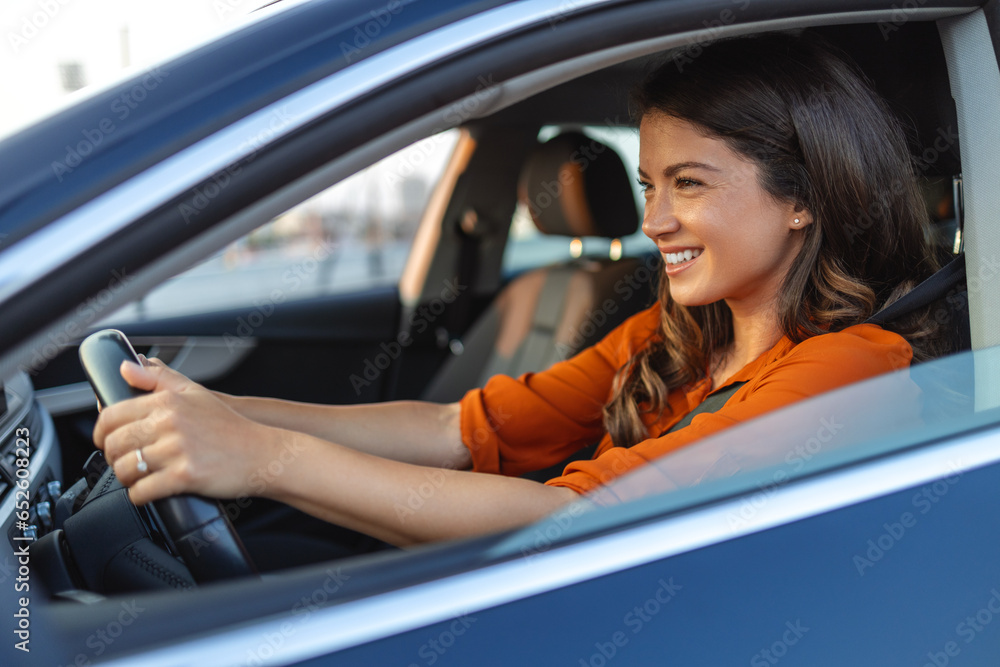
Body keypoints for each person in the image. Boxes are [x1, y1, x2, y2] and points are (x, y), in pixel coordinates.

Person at [92, 33, 944, 548]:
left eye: (689, 183)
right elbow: (457, 431)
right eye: (649, 185)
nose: (655, 220)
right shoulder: (677, 333)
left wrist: (266, 460)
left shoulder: (853, 367)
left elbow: (569, 522)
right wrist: (228, 414)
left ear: (802, 199)